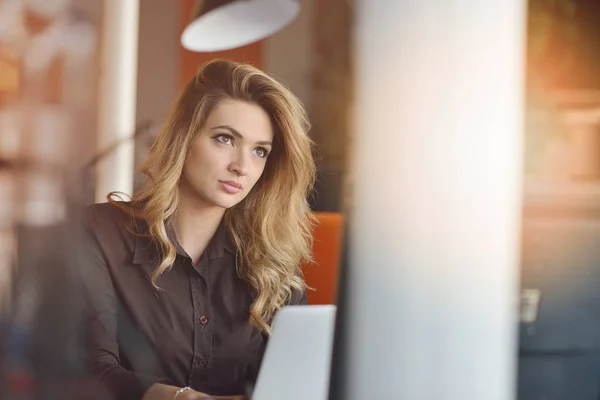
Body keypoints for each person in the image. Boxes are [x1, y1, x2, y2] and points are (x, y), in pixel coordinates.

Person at [80, 59, 316, 400]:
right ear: (185, 136)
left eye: (259, 151)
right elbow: (89, 368)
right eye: (224, 139)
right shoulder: (99, 232)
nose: (241, 166)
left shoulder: (272, 264)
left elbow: (294, 384)